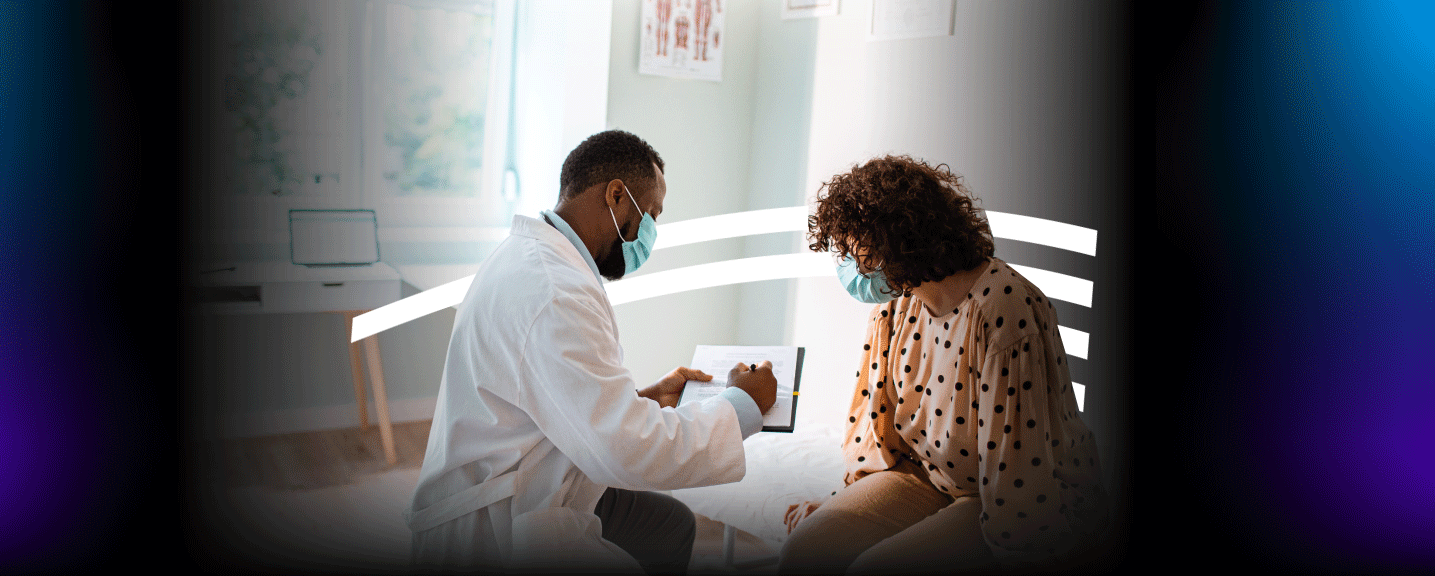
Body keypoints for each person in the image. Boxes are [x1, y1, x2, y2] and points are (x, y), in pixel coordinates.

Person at [406, 130, 778, 575]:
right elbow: (626, 452)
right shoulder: (555, 292)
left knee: (670, 523)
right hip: (502, 516)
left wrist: (642, 399)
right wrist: (743, 404)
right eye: (652, 215)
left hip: (538, 469)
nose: (651, 235)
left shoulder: (535, 257)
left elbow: (554, 394)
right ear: (617, 197)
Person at [778, 156, 1109, 574]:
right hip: (925, 474)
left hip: (1005, 493)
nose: (849, 267)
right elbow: (877, 424)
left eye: (855, 251)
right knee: (803, 553)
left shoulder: (1004, 311)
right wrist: (840, 502)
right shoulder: (896, 304)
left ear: (899, 240)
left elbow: (1018, 469)